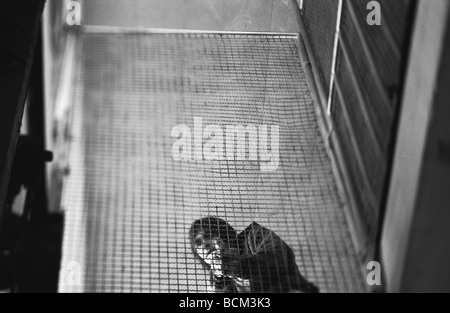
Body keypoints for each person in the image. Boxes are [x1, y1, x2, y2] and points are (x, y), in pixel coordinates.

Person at [189, 216, 319, 293]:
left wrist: (241, 265)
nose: (204, 245)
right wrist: (219, 281)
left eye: (208, 235)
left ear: (221, 232)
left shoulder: (255, 235)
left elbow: (279, 259)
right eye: (198, 243)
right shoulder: (216, 281)